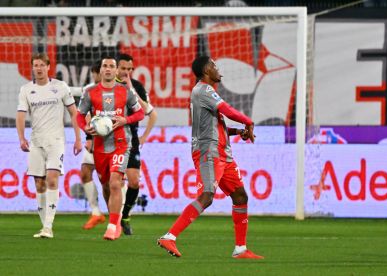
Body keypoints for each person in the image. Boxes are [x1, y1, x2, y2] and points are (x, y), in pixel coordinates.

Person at [157, 56, 263, 259]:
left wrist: (238, 132)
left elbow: (217, 125)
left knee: (240, 196)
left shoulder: (208, 93)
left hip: (223, 153)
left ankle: (240, 249)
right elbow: (228, 111)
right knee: (207, 196)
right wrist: (249, 122)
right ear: (206, 70)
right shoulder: (203, 90)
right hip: (209, 152)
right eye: (214, 65)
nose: (218, 69)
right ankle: (169, 237)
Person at [76, 56, 145, 240]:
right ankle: (115, 219)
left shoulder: (126, 91)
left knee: (116, 182)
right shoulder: (90, 93)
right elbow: (79, 116)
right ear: (100, 71)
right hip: (100, 147)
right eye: (104, 66)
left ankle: (113, 226)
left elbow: (140, 113)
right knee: (106, 185)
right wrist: (85, 128)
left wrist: (126, 120)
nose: (107, 69)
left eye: (111, 66)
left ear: (116, 72)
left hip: (122, 143)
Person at [16, 53, 83, 238]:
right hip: (36, 142)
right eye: (35, 65)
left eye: (41, 65)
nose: (38, 68)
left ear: (48, 67)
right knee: (39, 184)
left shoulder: (60, 87)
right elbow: (21, 115)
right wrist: (21, 138)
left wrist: (78, 138)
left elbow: (74, 112)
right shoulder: (26, 90)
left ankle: (48, 226)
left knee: (52, 179)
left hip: (56, 141)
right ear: (32, 68)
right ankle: (45, 225)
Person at [116, 53, 157, 235]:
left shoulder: (137, 87)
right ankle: (112, 221)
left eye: (129, 69)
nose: (126, 72)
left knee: (133, 182)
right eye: (123, 68)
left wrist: (144, 137)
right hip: (110, 140)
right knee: (111, 184)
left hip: (130, 140)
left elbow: (149, 112)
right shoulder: (107, 85)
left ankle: (125, 216)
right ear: (116, 68)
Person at [78, 61, 106, 230]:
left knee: (109, 182)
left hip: (111, 142)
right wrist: (89, 137)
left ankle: (119, 216)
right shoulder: (89, 90)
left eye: (97, 72)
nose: (96, 76)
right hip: (94, 138)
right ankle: (96, 212)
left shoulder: (117, 90)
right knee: (85, 172)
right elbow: (85, 114)